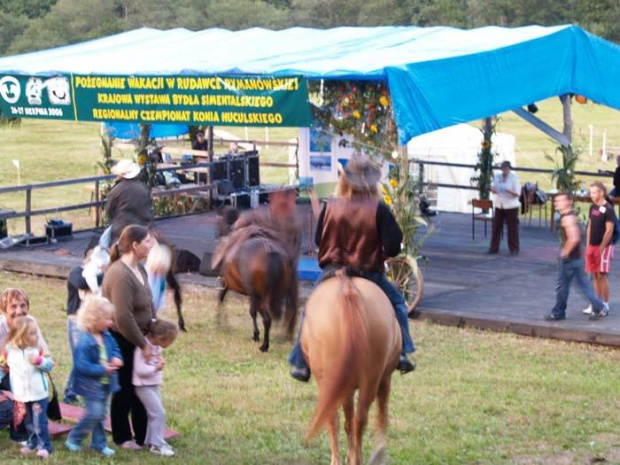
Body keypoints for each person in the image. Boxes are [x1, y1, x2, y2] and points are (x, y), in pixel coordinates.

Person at [288, 157, 416, 382]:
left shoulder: (330, 205)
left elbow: (319, 240)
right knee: (398, 304)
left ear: (345, 181)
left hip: (333, 272)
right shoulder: (379, 209)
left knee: (309, 309)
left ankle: (300, 363)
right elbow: (394, 245)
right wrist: (381, 251)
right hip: (370, 274)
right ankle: (403, 351)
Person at [101, 224, 154, 451]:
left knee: (139, 386)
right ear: (135, 245)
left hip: (139, 336)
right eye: (148, 242)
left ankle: (143, 434)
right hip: (122, 338)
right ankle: (122, 437)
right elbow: (122, 317)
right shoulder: (120, 274)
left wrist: (154, 329)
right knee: (125, 388)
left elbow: (147, 303)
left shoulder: (139, 269)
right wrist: (142, 343)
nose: (151, 246)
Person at [65, 296, 123, 457]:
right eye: (107, 319)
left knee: (101, 415)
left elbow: (115, 349)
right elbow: (82, 365)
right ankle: (74, 438)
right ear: (93, 320)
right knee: (94, 413)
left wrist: (118, 357)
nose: (110, 322)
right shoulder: (85, 341)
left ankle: (99, 443)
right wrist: (102, 369)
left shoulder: (107, 336)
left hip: (105, 383)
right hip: (90, 385)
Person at [544, 194, 606, 321]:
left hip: (570, 259)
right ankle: (599, 306)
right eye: (556, 201)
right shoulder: (573, 216)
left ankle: (558, 312)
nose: (557, 203)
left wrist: (564, 253)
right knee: (582, 286)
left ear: (568, 202)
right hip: (577, 257)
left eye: (560, 201)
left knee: (562, 286)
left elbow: (574, 238)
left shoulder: (567, 219)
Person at [1, 315, 54, 458]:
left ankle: (45, 447)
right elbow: (3, 368)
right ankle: (32, 442)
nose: (37, 335)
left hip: (38, 394)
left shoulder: (37, 351)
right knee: (28, 422)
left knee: (40, 422)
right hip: (21, 395)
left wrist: (39, 361)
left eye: (36, 332)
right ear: (20, 336)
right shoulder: (10, 352)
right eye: (32, 333)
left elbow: (50, 366)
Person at [0, 288, 48, 444]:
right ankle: (19, 432)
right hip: (3, 376)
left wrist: (39, 361)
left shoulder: (30, 323)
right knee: (11, 405)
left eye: (23, 305)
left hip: (21, 372)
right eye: (13, 307)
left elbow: (44, 352)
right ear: (4, 309)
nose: (19, 311)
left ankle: (25, 431)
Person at [63, 237, 104, 404]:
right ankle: (70, 393)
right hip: (76, 320)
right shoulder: (76, 272)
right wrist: (97, 274)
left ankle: (76, 392)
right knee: (80, 358)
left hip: (91, 322)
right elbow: (81, 283)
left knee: (88, 358)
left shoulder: (100, 274)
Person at [133, 319, 178, 457]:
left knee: (155, 414)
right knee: (158, 413)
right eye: (170, 341)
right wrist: (155, 368)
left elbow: (153, 361)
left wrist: (158, 362)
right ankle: (157, 444)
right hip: (143, 386)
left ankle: (152, 441)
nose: (170, 344)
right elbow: (139, 370)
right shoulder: (143, 347)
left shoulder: (156, 346)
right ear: (160, 337)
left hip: (152, 384)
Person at [582, 182, 616, 318]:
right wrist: (588, 244)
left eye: (594, 192)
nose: (591, 195)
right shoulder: (592, 207)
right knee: (594, 275)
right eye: (591, 192)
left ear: (602, 193)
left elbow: (609, 231)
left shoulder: (608, 209)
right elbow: (590, 226)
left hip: (604, 247)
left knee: (602, 275)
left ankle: (605, 304)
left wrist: (601, 247)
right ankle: (596, 303)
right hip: (592, 245)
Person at [105, 159, 154, 245]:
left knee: (104, 243)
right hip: (144, 226)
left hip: (122, 228)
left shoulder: (117, 190)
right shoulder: (143, 187)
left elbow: (109, 210)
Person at [489, 160, 521, 255]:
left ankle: (514, 248)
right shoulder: (497, 177)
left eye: (506, 168)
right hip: (500, 204)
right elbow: (494, 188)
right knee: (496, 227)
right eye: (503, 168)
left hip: (511, 205)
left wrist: (509, 191)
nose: (504, 170)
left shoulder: (514, 178)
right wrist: (493, 190)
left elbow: (517, 193)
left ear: (509, 169)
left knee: (512, 228)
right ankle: (493, 248)